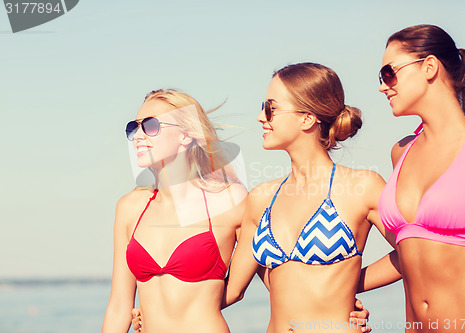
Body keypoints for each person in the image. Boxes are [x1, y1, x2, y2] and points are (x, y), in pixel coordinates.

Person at [221, 62, 398, 333]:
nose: (260, 117)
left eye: (271, 108)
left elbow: (415, 255)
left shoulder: (362, 186)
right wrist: (155, 309)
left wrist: (350, 285)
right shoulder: (261, 198)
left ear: (306, 118)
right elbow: (232, 290)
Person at [377, 24, 465, 331]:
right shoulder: (400, 152)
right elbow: (409, 252)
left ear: (429, 67)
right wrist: (341, 289)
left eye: (388, 73)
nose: (382, 86)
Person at [102, 89, 248, 332]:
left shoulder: (230, 199)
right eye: (133, 127)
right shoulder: (130, 208)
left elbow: (240, 287)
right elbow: (118, 306)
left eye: (150, 125)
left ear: (185, 135)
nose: (138, 135)